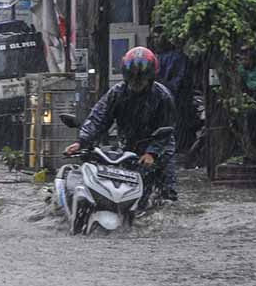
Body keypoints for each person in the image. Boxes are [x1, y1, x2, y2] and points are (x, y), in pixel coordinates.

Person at [64, 46, 177, 200]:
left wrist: (152, 153)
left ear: (150, 78)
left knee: (167, 194)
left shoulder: (163, 97)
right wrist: (82, 142)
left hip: (159, 150)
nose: (136, 82)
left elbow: (166, 129)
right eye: (132, 77)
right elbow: (98, 118)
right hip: (129, 148)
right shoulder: (117, 93)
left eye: (141, 78)